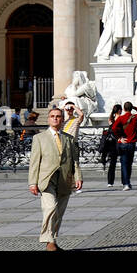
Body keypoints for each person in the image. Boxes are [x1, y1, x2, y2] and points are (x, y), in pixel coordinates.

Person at [28, 106, 82, 251]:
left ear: (62, 120)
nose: (55, 118)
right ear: (48, 119)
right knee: (50, 207)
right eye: (52, 116)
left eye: (58, 116)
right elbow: (34, 161)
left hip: (65, 178)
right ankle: (48, 240)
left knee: (59, 211)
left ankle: (52, 240)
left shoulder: (69, 138)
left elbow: (74, 160)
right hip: (46, 179)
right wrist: (32, 182)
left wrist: (78, 177)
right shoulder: (39, 138)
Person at [111, 101, 137, 190]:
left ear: (124, 109)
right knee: (129, 164)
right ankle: (127, 181)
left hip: (123, 143)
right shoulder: (135, 117)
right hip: (131, 143)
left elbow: (113, 128)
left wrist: (119, 137)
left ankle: (126, 183)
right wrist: (135, 108)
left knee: (124, 164)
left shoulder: (121, 118)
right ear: (130, 108)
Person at [100, 104, 122, 188]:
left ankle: (110, 182)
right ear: (119, 110)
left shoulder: (110, 118)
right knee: (123, 162)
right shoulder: (120, 118)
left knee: (112, 164)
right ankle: (124, 181)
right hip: (118, 141)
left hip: (110, 143)